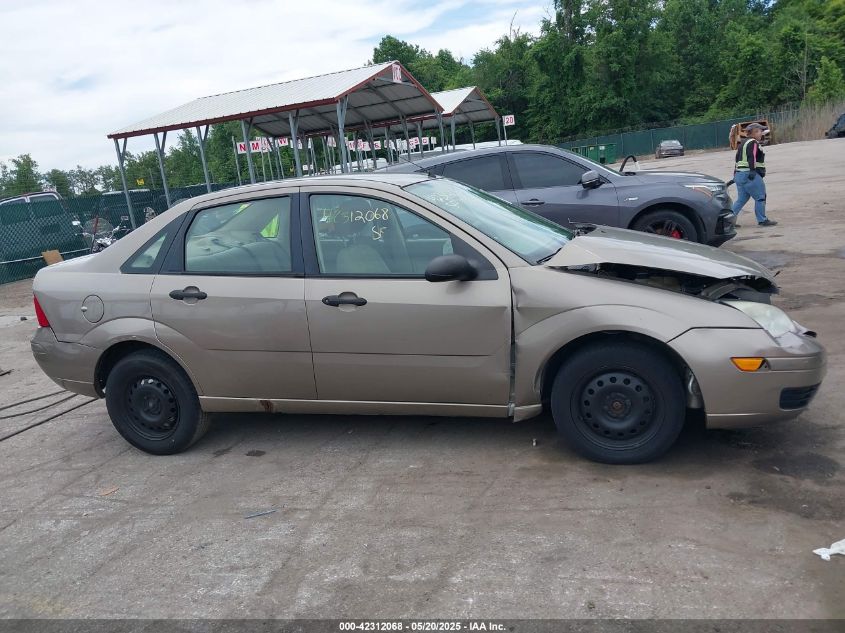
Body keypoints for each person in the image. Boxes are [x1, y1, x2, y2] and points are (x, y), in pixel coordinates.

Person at [732, 123, 777, 227]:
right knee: (760, 196)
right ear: (754, 132)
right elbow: (751, 156)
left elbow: (737, 159)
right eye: (760, 131)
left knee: (741, 199)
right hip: (749, 174)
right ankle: (762, 220)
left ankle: (727, 221)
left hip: (740, 174)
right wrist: (752, 171)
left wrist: (735, 175)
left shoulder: (743, 143)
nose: (762, 133)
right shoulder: (753, 143)